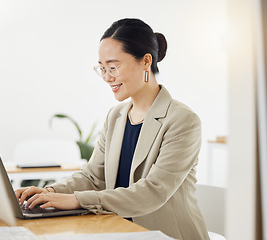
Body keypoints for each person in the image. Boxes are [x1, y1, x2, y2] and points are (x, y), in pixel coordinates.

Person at [16, 18, 209, 240]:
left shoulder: (183, 120)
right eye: (102, 68)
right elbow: (93, 176)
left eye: (113, 67)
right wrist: (50, 192)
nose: (107, 77)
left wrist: (77, 200)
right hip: (117, 230)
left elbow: (153, 191)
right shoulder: (116, 116)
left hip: (165, 235)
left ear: (146, 61)